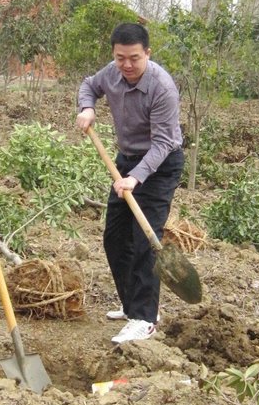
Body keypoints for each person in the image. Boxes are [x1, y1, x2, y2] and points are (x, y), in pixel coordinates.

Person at [76, 22, 184, 343]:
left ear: (147, 53)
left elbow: (163, 143)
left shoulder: (162, 87)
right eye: (120, 57)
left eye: (134, 58)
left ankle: (145, 318)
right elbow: (89, 85)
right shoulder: (111, 73)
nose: (126, 65)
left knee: (145, 240)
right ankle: (131, 305)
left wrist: (136, 178)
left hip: (160, 166)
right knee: (115, 237)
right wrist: (87, 107)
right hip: (125, 162)